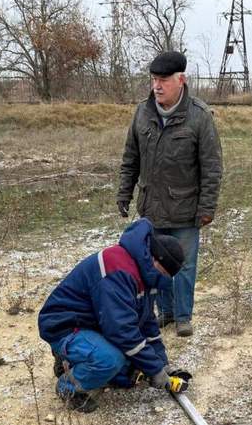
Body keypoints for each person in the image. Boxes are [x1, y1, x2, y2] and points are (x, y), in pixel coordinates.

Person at [116, 51, 223, 337]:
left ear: (181, 80)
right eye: (154, 80)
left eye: (163, 80)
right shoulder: (142, 113)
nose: (157, 86)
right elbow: (131, 158)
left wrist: (207, 207)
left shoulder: (199, 117)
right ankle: (164, 313)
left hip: (187, 209)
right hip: (151, 208)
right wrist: (124, 193)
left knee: (185, 266)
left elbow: (211, 167)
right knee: (155, 264)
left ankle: (183, 316)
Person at [38, 218, 186, 413]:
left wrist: (162, 364)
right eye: (163, 274)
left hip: (93, 323)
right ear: (155, 259)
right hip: (64, 325)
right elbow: (121, 330)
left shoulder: (146, 274)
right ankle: (68, 386)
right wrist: (155, 370)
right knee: (110, 360)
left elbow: (146, 321)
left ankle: (70, 362)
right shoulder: (118, 269)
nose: (162, 280)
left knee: (128, 372)